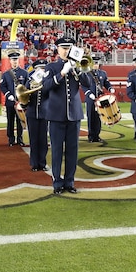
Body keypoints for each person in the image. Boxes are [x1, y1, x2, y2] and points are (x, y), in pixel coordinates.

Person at [41, 37, 98, 195]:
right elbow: (45, 87)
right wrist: (62, 73)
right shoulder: (51, 66)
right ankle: (57, 183)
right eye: (63, 48)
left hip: (74, 114)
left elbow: (87, 83)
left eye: (69, 48)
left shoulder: (78, 65)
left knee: (73, 150)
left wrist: (78, 70)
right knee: (57, 151)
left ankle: (70, 181)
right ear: (58, 49)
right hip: (56, 115)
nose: (66, 51)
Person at [22, 60, 49, 171]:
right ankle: (34, 164)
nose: (41, 70)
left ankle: (42, 163)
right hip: (32, 113)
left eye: (43, 68)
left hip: (44, 113)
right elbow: (24, 94)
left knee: (43, 140)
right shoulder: (30, 80)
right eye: (39, 68)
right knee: (33, 139)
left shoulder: (48, 80)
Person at [0, 50, 28, 146]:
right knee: (10, 121)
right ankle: (11, 139)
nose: (15, 62)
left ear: (18, 61)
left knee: (20, 121)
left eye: (16, 60)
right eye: (13, 60)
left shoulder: (24, 73)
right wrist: (8, 95)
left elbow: (27, 86)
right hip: (10, 102)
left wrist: (23, 97)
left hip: (20, 102)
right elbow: (2, 86)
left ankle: (20, 139)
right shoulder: (6, 74)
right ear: (10, 61)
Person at [84, 57, 113, 143]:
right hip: (91, 99)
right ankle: (91, 136)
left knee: (99, 117)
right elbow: (84, 86)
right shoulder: (87, 73)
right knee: (91, 117)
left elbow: (106, 83)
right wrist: (89, 94)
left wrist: (110, 88)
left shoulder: (103, 73)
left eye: (97, 63)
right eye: (94, 63)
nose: (95, 65)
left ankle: (97, 135)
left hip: (100, 98)